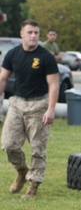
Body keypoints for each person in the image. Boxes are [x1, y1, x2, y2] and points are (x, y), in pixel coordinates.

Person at [0, 19, 59, 199]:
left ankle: (33, 185)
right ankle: (22, 171)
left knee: (37, 148)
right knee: (8, 145)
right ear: (22, 34)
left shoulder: (46, 57)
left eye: (36, 33)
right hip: (17, 104)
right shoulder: (12, 54)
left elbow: (54, 85)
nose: (33, 36)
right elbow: (3, 78)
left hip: (39, 105)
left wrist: (50, 109)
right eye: (30, 32)